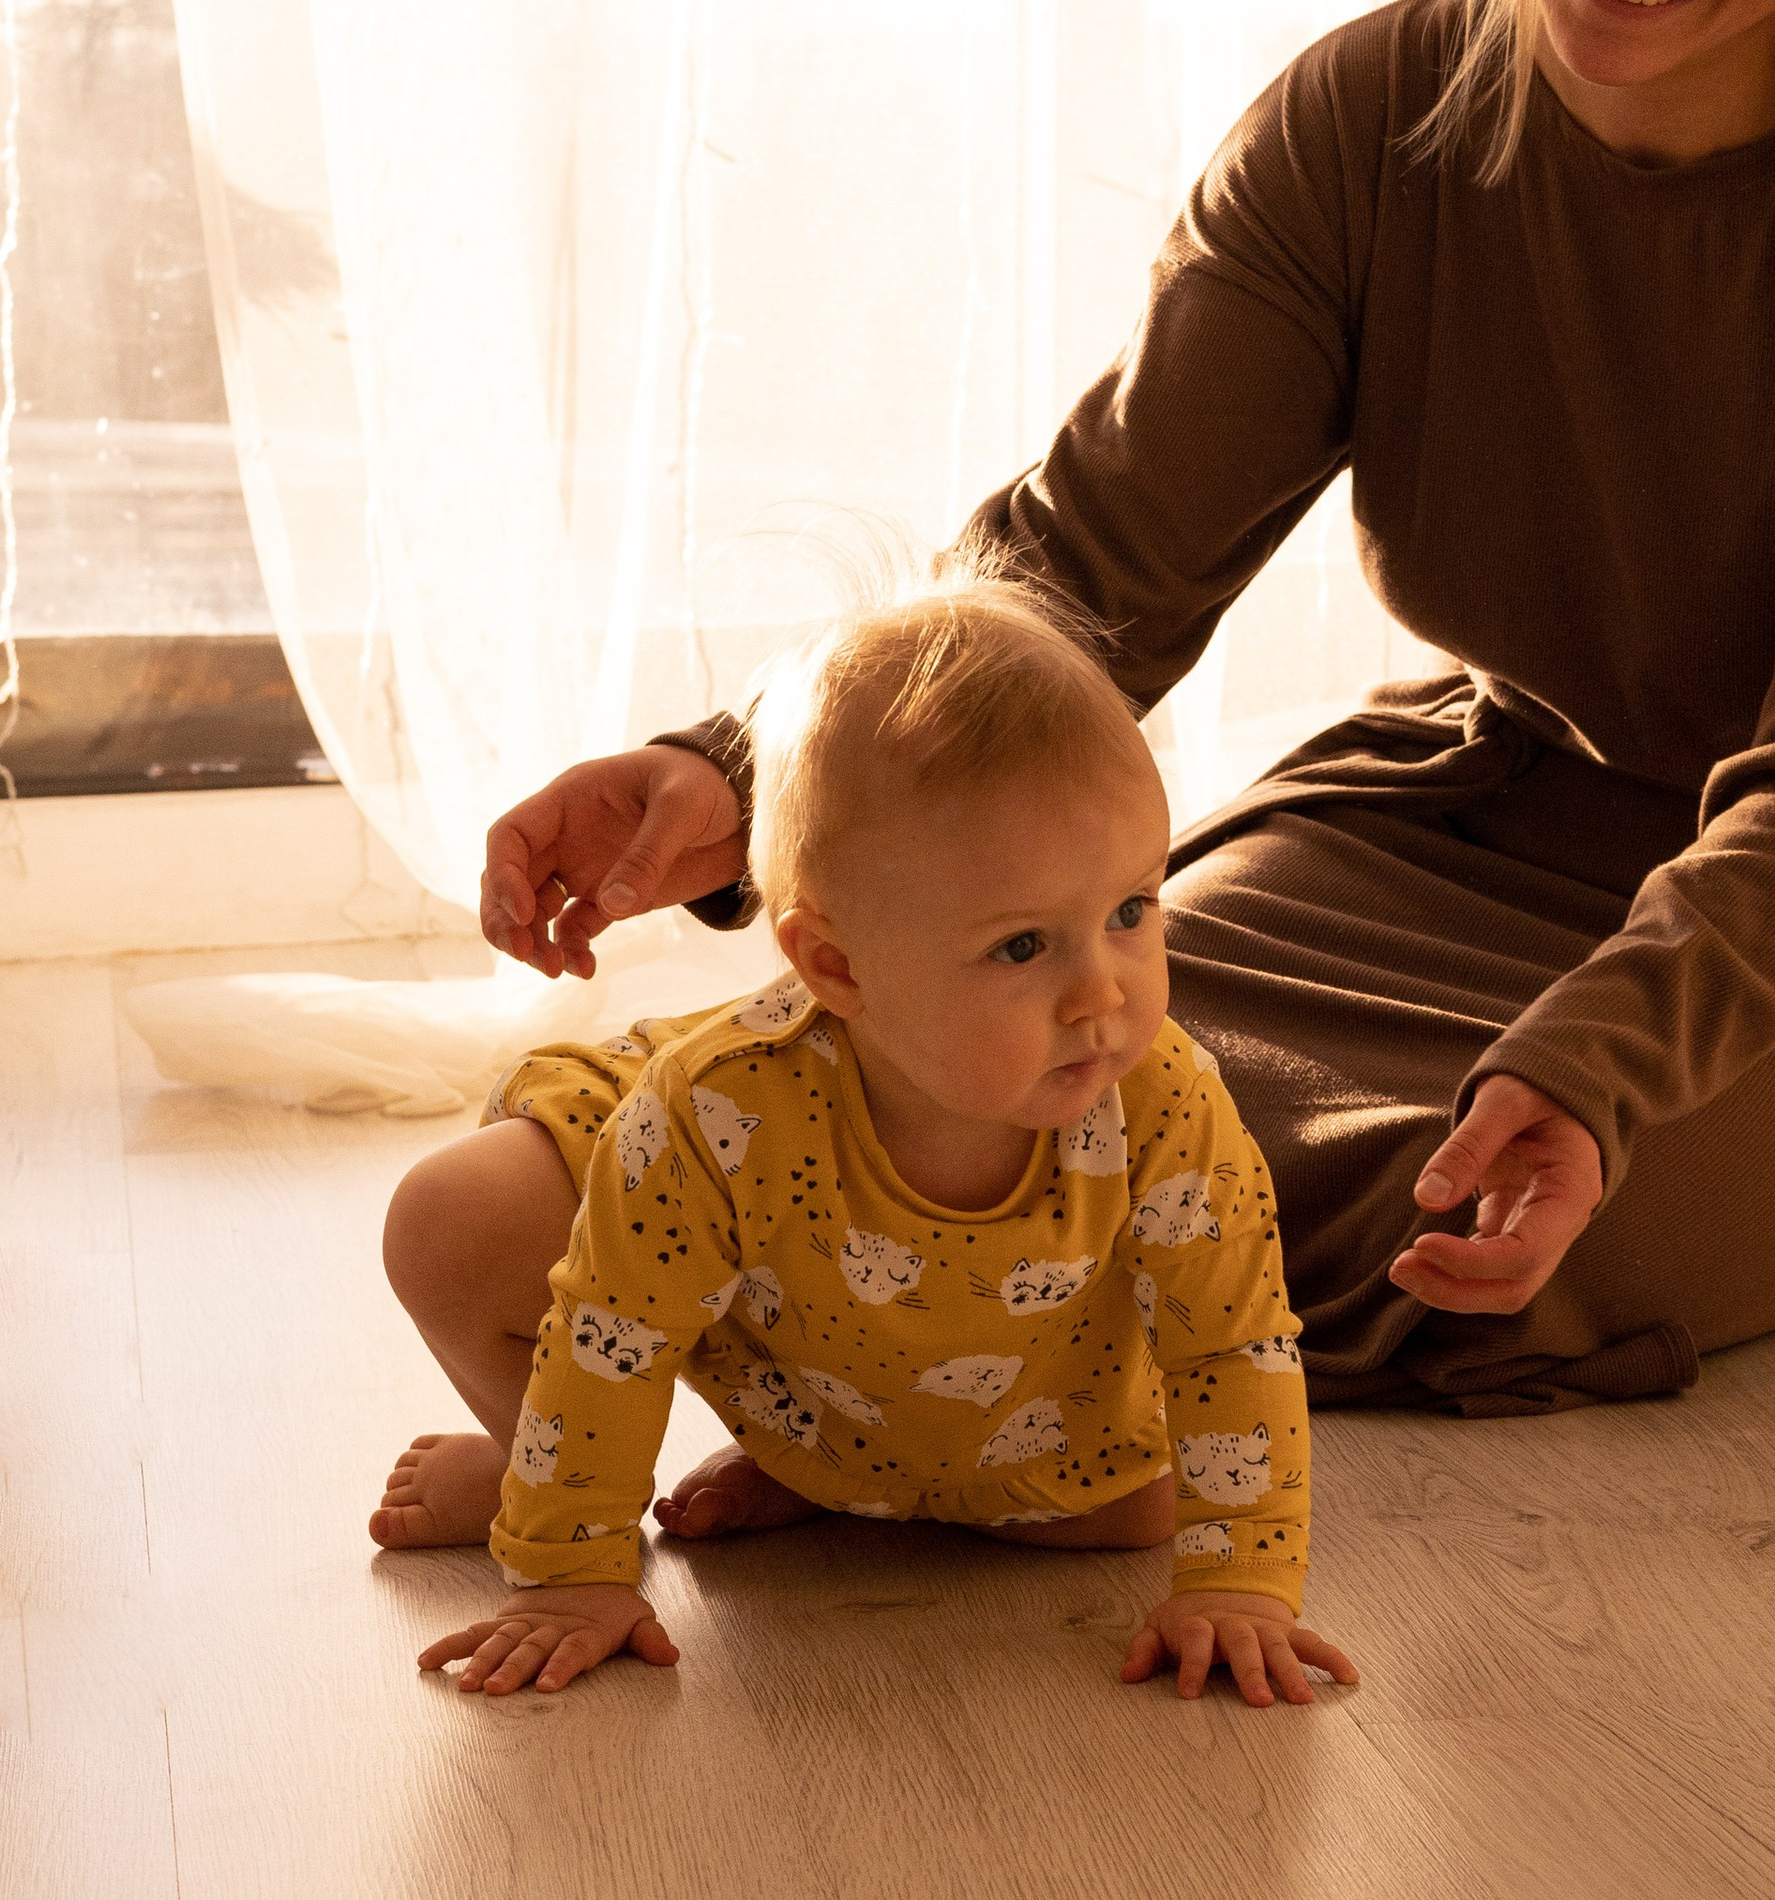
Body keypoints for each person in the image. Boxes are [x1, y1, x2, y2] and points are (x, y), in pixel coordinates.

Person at [477, 0, 1775, 1498]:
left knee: (1447, 1229)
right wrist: (734, 770)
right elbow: (1087, 561)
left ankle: (882, 1409)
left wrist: (1589, 1068)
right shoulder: (1371, 121)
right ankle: (759, 1281)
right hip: (1457, 828)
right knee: (983, 1066)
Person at [382, 576, 1358, 1708]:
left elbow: (1231, 1346)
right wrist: (568, 1568)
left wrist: (1240, 1582)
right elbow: (617, 1335)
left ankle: (833, 1486)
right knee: (448, 1220)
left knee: (1140, 1510)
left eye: (1132, 910)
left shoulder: (1161, 1098)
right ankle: (541, 1469)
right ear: (835, 968)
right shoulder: (715, 1107)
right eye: (1023, 945)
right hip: (788, 1363)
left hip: (1044, 1442)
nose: (1104, 995)